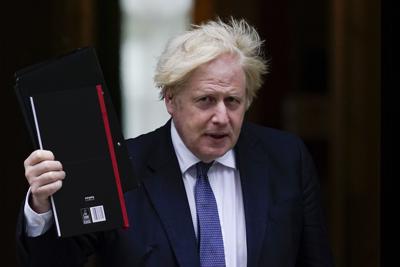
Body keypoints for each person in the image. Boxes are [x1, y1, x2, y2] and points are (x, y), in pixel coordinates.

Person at [17, 18, 334, 267]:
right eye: (206, 100)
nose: (222, 117)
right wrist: (42, 207)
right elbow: (54, 262)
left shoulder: (287, 159)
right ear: (171, 99)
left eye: (233, 101)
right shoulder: (121, 166)